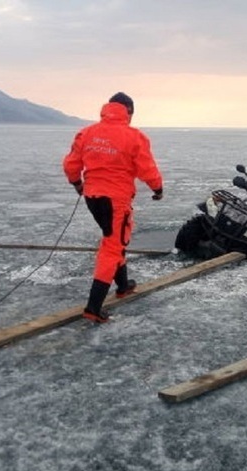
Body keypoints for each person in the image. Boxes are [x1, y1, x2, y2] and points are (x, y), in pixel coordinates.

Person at [62, 92, 164, 323]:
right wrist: (157, 189)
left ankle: (123, 285)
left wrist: (77, 183)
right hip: (115, 200)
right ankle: (93, 307)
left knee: (114, 241)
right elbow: (146, 168)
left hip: (92, 197)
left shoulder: (87, 133)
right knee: (112, 247)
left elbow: (71, 164)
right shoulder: (134, 137)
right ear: (128, 110)